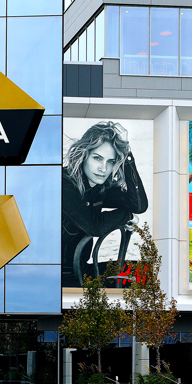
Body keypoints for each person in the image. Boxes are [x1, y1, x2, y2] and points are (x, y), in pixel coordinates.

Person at [61, 121, 148, 287]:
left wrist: (127, 153)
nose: (103, 168)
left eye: (110, 161)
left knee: (144, 273)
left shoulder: (99, 187)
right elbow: (95, 226)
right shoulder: (64, 184)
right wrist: (126, 216)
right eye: (97, 158)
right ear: (83, 154)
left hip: (81, 272)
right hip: (57, 279)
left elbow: (138, 205)